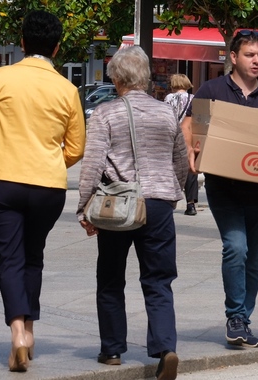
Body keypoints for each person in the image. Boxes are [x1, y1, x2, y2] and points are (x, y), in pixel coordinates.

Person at [0, 10, 85, 372]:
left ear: (21, 43)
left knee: (10, 259)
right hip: (47, 187)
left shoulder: (0, 78)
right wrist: (50, 161)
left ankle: (18, 332)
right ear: (57, 46)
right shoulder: (67, 89)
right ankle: (31, 332)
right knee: (34, 256)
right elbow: (76, 148)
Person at [76, 46, 187, 380]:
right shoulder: (166, 113)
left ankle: (112, 349)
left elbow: (93, 164)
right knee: (159, 280)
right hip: (158, 205)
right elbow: (180, 160)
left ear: (117, 78)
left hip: (119, 206)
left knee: (110, 278)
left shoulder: (106, 114)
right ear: (146, 77)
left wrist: (84, 207)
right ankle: (165, 348)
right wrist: (172, 192)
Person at [180, 30, 258, 348]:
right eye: (250, 55)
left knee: (254, 260)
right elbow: (191, 125)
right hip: (222, 187)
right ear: (233, 57)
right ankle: (235, 316)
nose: (256, 61)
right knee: (236, 248)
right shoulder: (212, 89)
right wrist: (191, 151)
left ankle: (243, 317)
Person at [164, 73, 198, 216]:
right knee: (190, 169)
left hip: (172, 137)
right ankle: (191, 204)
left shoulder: (168, 99)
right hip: (188, 136)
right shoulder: (193, 98)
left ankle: (169, 202)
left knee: (171, 168)